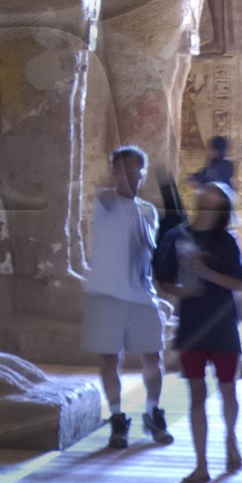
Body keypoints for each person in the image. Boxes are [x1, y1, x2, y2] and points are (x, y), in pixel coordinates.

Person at [82, 145, 174, 452]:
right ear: (113, 172)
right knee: (111, 359)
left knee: (153, 357)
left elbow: (148, 252)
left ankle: (152, 411)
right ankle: (118, 418)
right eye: (120, 169)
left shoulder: (148, 211)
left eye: (133, 170)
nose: (127, 175)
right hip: (106, 294)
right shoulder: (104, 201)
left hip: (141, 295)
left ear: (142, 173)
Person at [172, 180, 242, 483]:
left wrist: (206, 274)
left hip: (222, 323)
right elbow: (164, 281)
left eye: (214, 194)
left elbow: (240, 284)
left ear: (221, 206)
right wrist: (178, 289)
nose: (207, 194)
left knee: (228, 390)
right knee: (196, 396)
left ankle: (230, 438)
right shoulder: (179, 236)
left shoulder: (227, 242)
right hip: (192, 322)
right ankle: (201, 464)